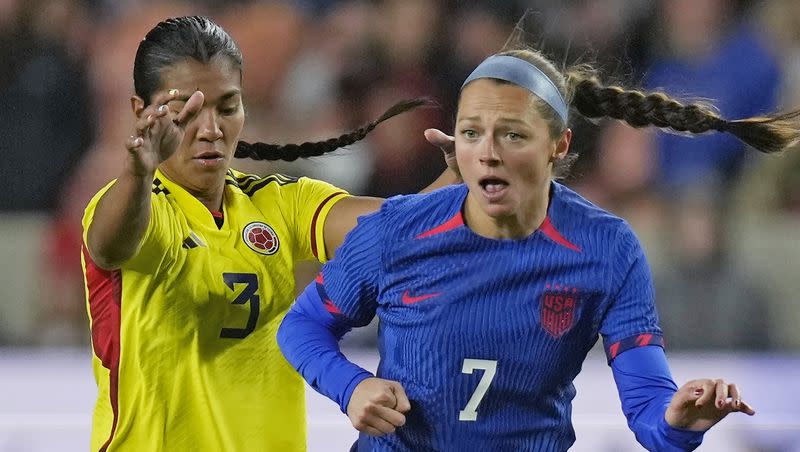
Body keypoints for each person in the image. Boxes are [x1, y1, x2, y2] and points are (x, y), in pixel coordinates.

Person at [277, 44, 800, 451]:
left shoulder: (605, 249)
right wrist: (351, 388)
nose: (487, 153)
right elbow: (302, 326)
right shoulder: (396, 231)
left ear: (559, 145)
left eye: (512, 135)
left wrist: (680, 420)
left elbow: (649, 411)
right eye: (471, 132)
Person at [81, 15, 456, 452]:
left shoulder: (279, 204)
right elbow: (110, 246)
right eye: (185, 110)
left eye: (227, 107)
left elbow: (395, 236)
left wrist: (461, 176)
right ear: (141, 112)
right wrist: (139, 169)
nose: (211, 129)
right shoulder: (134, 208)